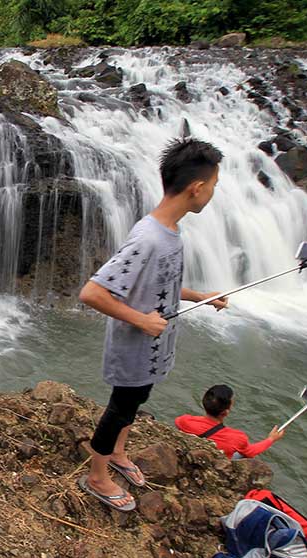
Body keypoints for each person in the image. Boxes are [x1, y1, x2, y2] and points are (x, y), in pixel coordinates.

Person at [76, 138, 228, 512]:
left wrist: (199, 295)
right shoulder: (148, 238)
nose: (213, 193)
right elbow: (92, 293)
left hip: (153, 349)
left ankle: (118, 453)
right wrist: (141, 320)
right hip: (134, 348)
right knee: (120, 408)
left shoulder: (171, 232)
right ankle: (97, 476)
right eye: (213, 185)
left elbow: (160, 285)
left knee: (136, 401)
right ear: (197, 188)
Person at [175, 384, 285, 460]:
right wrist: (271, 439)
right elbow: (250, 452)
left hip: (191, 456)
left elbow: (178, 422)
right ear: (226, 412)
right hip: (216, 465)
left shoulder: (185, 420)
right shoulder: (237, 437)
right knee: (242, 454)